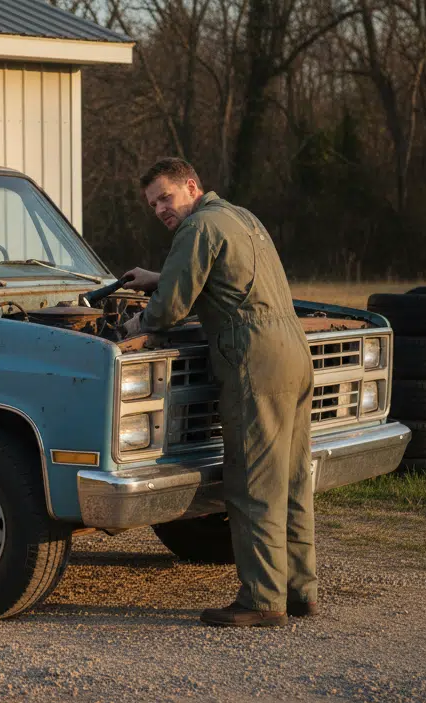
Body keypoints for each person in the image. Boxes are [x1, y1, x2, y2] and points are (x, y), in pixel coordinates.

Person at [120, 158, 317, 628]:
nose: (161, 210)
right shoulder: (240, 217)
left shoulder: (196, 230)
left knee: (253, 483)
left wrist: (130, 325)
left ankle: (262, 601)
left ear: (191, 185)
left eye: (166, 197)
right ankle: (299, 591)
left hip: (254, 359)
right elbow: (217, 275)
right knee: (291, 480)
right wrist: (156, 277)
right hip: (293, 349)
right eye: (153, 205)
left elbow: (168, 310)